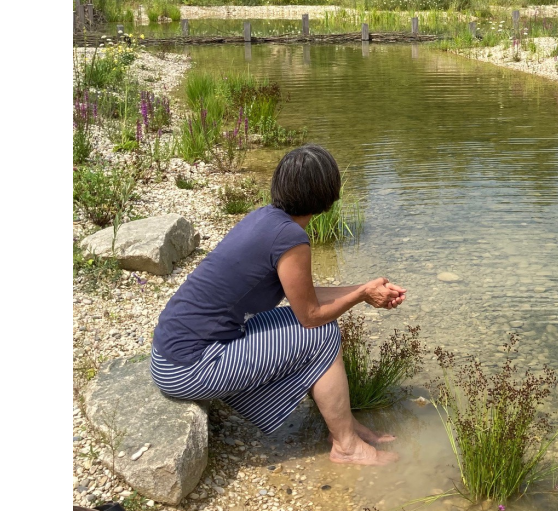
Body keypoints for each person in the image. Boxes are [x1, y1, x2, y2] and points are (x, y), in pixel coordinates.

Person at [149, 144, 405, 465]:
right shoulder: (291, 239)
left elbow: (303, 296)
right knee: (322, 333)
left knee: (316, 327)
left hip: (170, 353)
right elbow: (311, 316)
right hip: (188, 367)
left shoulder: (267, 219)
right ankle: (346, 446)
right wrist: (360, 295)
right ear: (326, 194)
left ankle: (345, 426)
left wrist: (363, 290)